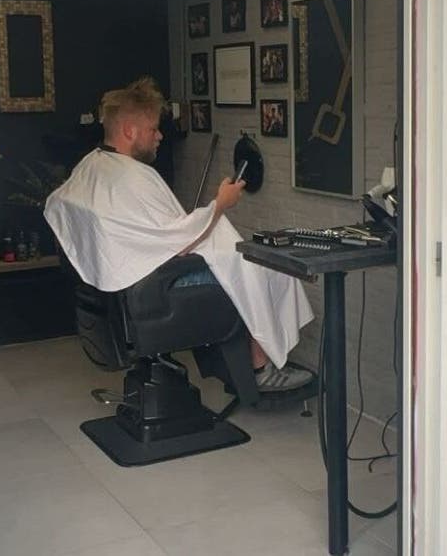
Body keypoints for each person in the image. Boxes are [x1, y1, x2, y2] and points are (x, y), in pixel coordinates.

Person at [45, 77, 314, 392]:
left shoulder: (92, 165)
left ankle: (244, 366)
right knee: (264, 266)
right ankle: (261, 369)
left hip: (119, 285)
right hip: (156, 283)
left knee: (240, 261)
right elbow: (181, 240)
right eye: (153, 129)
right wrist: (220, 204)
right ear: (130, 131)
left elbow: (55, 206)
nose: (159, 136)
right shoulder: (135, 177)